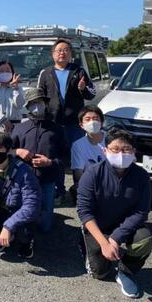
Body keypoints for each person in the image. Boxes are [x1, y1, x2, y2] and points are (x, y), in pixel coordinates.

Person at [77, 129, 152, 299]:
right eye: (115, 149)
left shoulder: (142, 176)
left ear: (134, 152)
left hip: (125, 227)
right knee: (99, 272)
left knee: (145, 240)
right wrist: (104, 243)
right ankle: (86, 241)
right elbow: (84, 211)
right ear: (105, 151)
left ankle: (125, 271)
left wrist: (115, 238)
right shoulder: (92, 173)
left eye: (126, 150)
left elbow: (141, 212)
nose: (121, 154)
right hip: (99, 227)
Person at [37, 38, 95, 206]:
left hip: (74, 122)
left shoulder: (79, 70)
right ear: (53, 54)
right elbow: (40, 95)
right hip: (53, 122)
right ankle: (59, 191)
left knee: (78, 157)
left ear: (70, 54)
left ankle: (80, 191)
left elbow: (91, 93)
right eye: (59, 50)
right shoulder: (46, 73)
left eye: (65, 50)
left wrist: (83, 89)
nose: (62, 53)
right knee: (56, 158)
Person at [11, 88, 67, 233]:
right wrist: (18, 151)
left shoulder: (57, 129)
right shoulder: (19, 128)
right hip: (24, 181)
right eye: (33, 103)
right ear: (27, 107)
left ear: (46, 104)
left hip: (47, 181)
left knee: (45, 226)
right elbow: (7, 152)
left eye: (40, 102)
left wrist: (50, 162)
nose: (37, 106)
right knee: (23, 218)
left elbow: (65, 157)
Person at [70, 105, 106, 199]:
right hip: (90, 186)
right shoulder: (78, 145)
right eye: (87, 119)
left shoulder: (112, 140)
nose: (92, 122)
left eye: (95, 119)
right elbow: (78, 173)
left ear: (102, 122)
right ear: (81, 125)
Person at [0, 60, 25, 132]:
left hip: (14, 126)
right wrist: (3, 119)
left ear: (12, 73)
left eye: (8, 71)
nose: (5, 73)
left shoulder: (18, 88)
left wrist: (15, 89)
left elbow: (20, 105)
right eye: (2, 71)